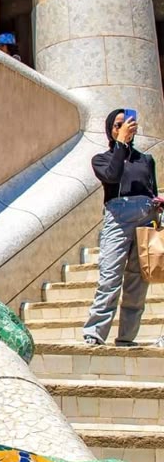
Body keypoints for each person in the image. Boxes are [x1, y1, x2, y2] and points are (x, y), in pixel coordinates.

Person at [82, 108, 162, 347]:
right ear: (111, 130)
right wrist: (120, 144)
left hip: (146, 216)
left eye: (127, 123)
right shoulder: (102, 159)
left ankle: (127, 336)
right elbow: (112, 176)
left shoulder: (146, 160)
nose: (124, 127)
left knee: (138, 280)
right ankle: (95, 333)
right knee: (110, 276)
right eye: (118, 125)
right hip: (118, 217)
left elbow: (151, 189)